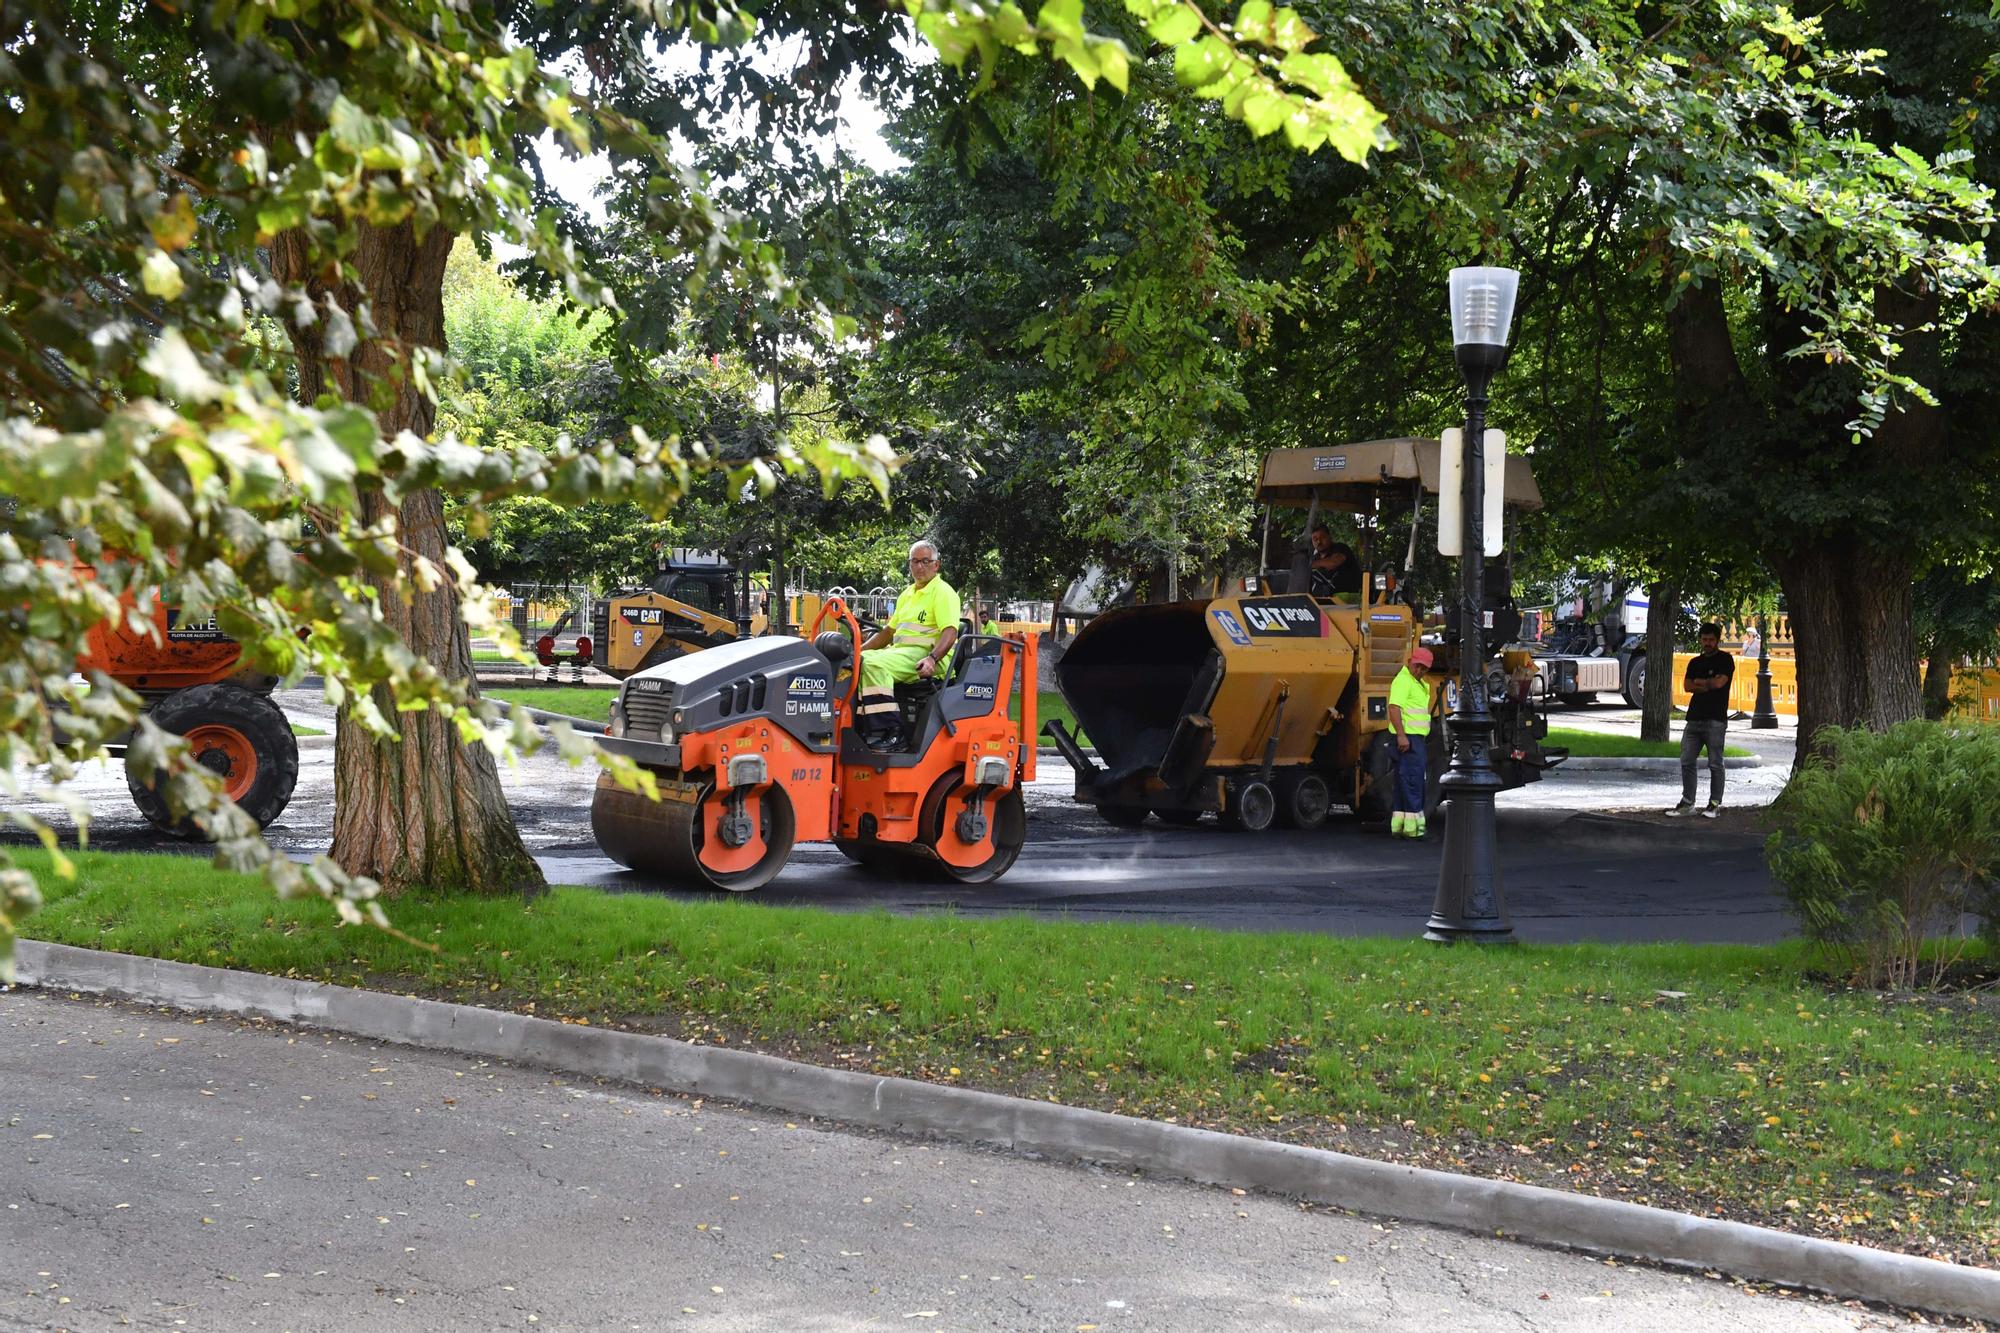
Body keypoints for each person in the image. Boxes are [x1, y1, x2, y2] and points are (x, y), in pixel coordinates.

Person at [854, 540, 961, 749]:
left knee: (875, 666)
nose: (919, 567)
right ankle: (860, 726)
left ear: (936, 565)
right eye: (915, 561)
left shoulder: (943, 592)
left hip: (928, 657)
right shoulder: (907, 595)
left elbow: (950, 631)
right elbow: (888, 633)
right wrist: (857, 650)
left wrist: (932, 658)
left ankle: (892, 731)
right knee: (856, 661)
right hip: (902, 653)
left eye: (925, 561)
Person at [1669, 623, 1734, 818]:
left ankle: (1714, 804)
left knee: (1715, 763)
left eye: (1711, 640)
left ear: (1717, 640)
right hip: (1694, 718)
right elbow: (1687, 685)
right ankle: (1688, 803)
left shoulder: (1725, 659)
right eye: (1704, 639)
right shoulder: (1694, 662)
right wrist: (1706, 684)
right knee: (1687, 760)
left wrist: (1702, 683)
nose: (1707, 643)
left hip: (1716, 719)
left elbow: (1719, 682)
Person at [1387, 646, 1435, 838]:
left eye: (1424, 668)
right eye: (1418, 666)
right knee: (1414, 783)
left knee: (1403, 783)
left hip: (1411, 739)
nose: (1420, 671)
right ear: (1410, 662)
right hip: (1410, 740)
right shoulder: (1404, 680)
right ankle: (1416, 830)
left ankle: (1401, 827)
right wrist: (1401, 735)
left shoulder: (1415, 682)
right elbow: (1394, 707)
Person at [1308, 524, 1361, 598]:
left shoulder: (1340, 548)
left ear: (1330, 537)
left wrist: (1309, 565)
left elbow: (1333, 563)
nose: (1319, 541)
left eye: (1322, 537)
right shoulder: (1315, 558)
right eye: (1315, 539)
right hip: (1325, 597)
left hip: (1348, 597)